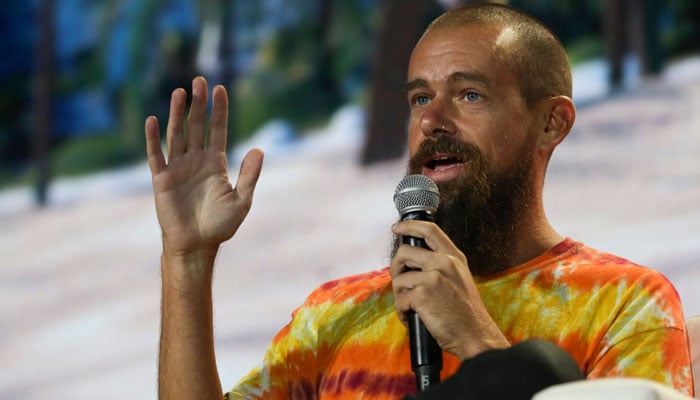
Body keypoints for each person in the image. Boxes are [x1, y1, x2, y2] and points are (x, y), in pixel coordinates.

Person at [144, 4, 694, 400]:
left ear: (551, 122)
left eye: (469, 95)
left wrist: (480, 344)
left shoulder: (624, 301)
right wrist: (187, 261)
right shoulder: (333, 315)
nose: (432, 121)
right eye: (420, 98)